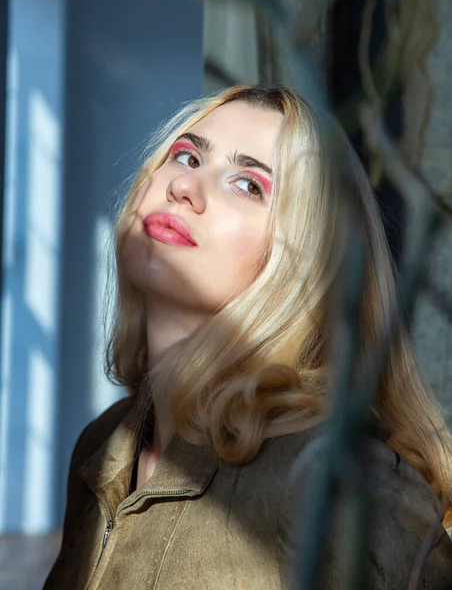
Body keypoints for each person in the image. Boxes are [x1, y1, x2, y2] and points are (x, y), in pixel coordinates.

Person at [43, 85, 452, 590]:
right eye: (186, 155)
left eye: (249, 185)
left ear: (307, 265)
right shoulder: (103, 441)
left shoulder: (338, 479)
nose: (185, 187)